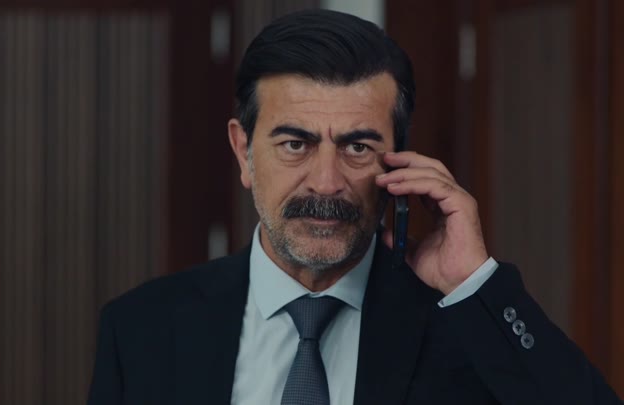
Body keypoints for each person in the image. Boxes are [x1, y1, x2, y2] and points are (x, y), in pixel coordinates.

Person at [87, 9, 622, 405]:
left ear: (399, 162)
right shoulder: (141, 330)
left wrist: (473, 282)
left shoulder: (467, 327)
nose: (326, 183)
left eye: (358, 147)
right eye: (295, 144)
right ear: (243, 151)